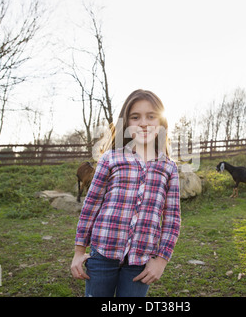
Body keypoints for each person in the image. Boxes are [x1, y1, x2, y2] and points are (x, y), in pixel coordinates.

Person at [70, 89, 181, 297]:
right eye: (135, 117)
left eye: (151, 116)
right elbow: (91, 205)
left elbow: (172, 219)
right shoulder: (111, 159)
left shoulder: (169, 167)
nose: (144, 123)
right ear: (126, 123)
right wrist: (79, 252)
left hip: (140, 262)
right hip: (102, 254)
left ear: (161, 122)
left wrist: (162, 260)